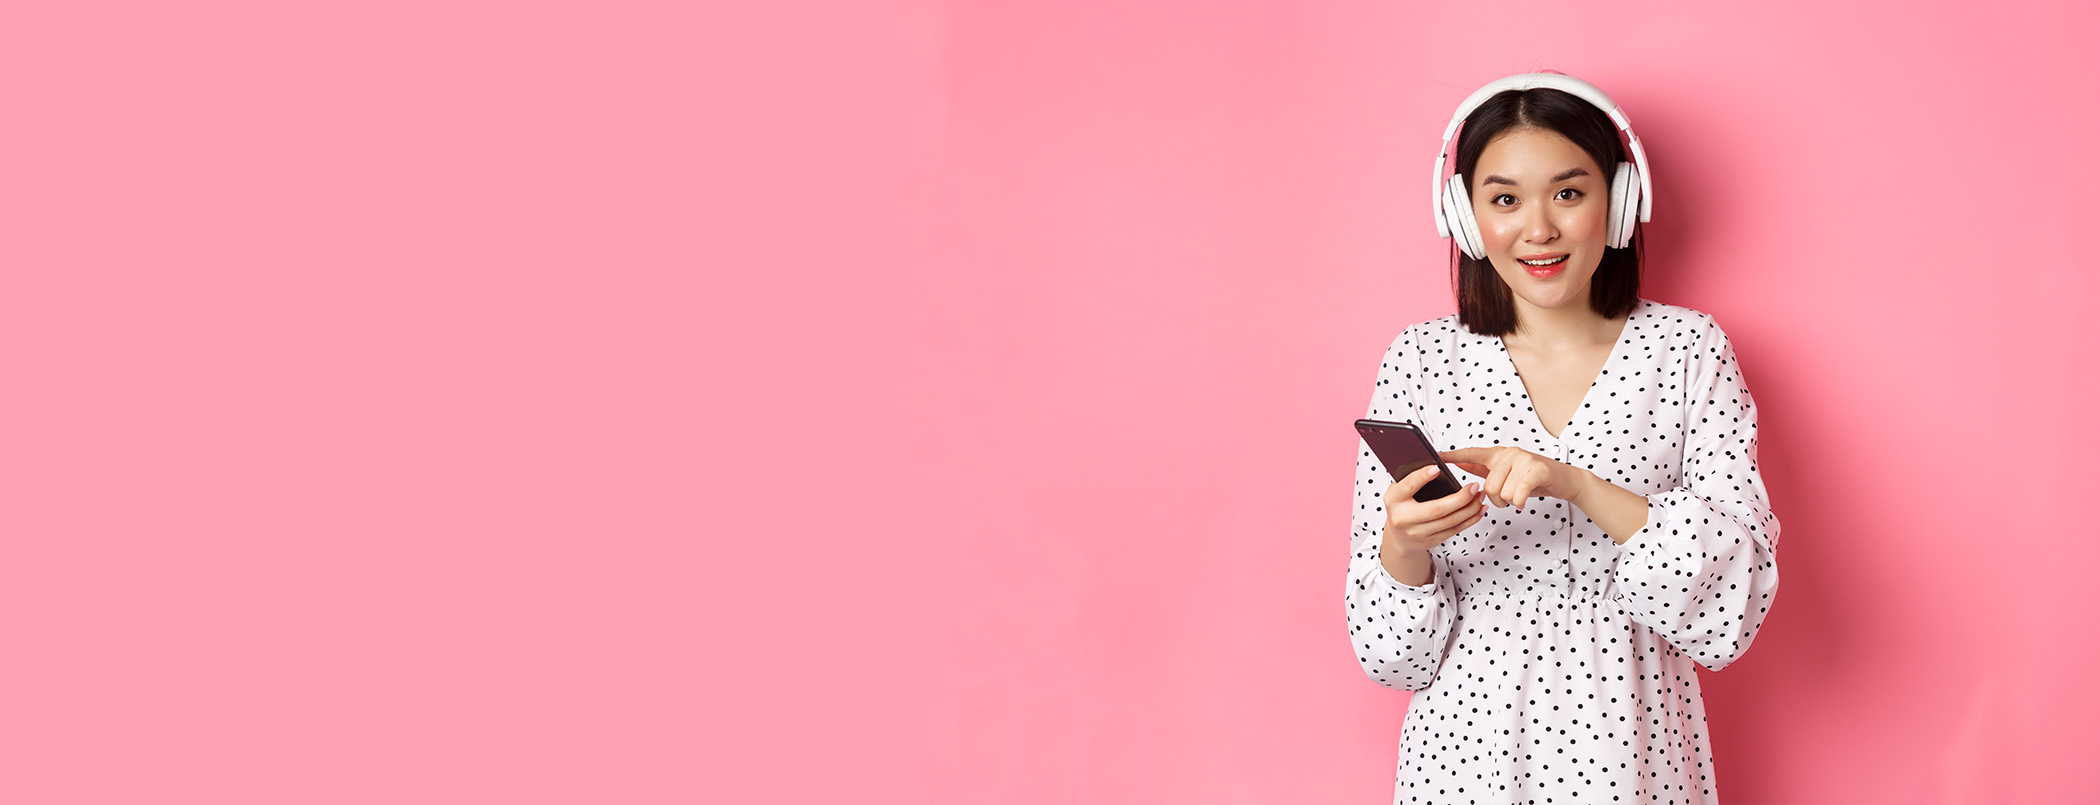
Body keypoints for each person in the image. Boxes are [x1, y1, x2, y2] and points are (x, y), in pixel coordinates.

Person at [1346, 73, 1780, 804]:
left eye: (1568, 193)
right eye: (1505, 200)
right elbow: (1391, 658)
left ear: (1619, 203)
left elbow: (1731, 607)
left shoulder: (1687, 351)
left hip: (1634, 757)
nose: (1539, 229)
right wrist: (1404, 544)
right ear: (1465, 216)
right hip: (1465, 762)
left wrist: (1576, 483)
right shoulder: (1421, 361)